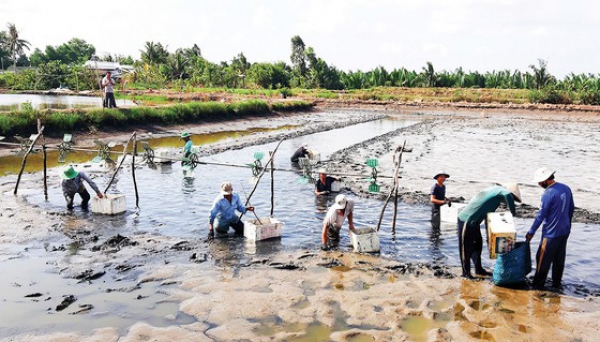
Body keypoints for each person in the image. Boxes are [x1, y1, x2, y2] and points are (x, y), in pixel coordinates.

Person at [457, 183, 522, 279]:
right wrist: (512, 213)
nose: (506, 201)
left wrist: (489, 237)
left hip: (475, 223)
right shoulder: (501, 191)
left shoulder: (496, 199)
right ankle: (465, 273)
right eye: (513, 199)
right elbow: (508, 195)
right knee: (465, 249)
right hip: (466, 220)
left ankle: (479, 269)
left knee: (477, 246)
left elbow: (488, 218)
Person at [526, 167, 574, 290]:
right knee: (559, 259)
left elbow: (540, 216)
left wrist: (531, 232)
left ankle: (537, 286)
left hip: (551, 233)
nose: (538, 184)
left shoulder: (547, 194)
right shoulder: (566, 188)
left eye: (539, 182)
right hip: (564, 231)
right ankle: (556, 284)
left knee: (542, 259)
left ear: (546, 180)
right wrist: (568, 227)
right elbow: (571, 209)